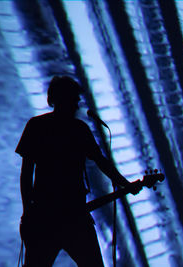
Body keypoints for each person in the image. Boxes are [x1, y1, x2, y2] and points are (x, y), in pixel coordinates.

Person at [16, 76, 140, 267]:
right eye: (73, 100)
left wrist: (29, 214)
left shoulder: (39, 126)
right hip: (69, 216)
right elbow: (101, 162)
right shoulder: (71, 129)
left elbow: (26, 176)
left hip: (48, 216)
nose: (76, 105)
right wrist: (126, 184)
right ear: (61, 100)